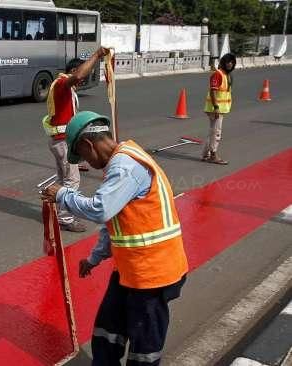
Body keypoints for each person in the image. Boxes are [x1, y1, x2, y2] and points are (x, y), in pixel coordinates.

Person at [42, 111, 188, 365]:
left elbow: (101, 209)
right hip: (131, 269)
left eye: (83, 155)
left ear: (88, 144)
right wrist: (95, 258)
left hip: (153, 273)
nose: (84, 162)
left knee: (144, 347)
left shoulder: (125, 166)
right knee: (107, 331)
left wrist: (62, 195)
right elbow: (115, 223)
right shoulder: (121, 163)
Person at [42, 47, 109, 232]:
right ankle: (66, 218)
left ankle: (54, 207)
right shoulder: (63, 83)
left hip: (60, 140)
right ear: (73, 71)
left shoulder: (62, 85)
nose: (82, 81)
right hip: (62, 141)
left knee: (63, 178)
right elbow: (78, 76)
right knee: (72, 181)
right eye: (83, 74)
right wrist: (96, 55)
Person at [202, 53, 235, 165]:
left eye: (232, 62)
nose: (230, 64)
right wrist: (216, 107)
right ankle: (213, 155)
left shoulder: (227, 75)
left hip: (220, 108)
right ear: (223, 63)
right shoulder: (218, 74)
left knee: (212, 132)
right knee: (216, 133)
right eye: (228, 62)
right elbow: (213, 91)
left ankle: (206, 154)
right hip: (215, 109)